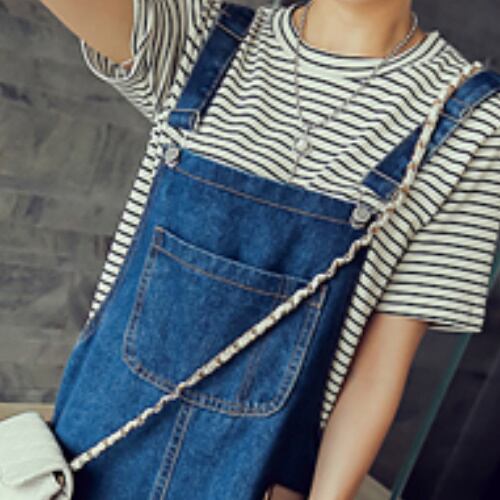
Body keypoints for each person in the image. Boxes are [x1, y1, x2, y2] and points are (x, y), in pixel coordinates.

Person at [39, 0, 500, 498]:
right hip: (89, 461)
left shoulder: (473, 122)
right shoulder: (202, 37)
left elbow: (379, 367)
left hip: (259, 479)